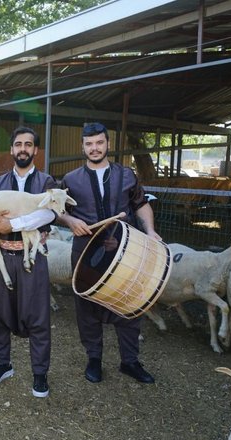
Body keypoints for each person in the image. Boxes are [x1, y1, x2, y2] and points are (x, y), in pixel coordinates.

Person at [59, 122, 160, 384]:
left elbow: (141, 203)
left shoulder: (126, 175)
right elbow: (57, 209)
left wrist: (150, 230)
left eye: (99, 143)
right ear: (83, 146)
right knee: (87, 305)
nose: (94, 148)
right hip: (87, 251)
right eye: (89, 144)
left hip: (125, 249)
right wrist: (70, 221)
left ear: (108, 144)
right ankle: (94, 358)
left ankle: (130, 362)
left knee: (130, 302)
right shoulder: (70, 180)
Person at [0, 126, 56, 398]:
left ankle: (40, 374)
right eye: (18, 144)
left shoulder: (46, 182)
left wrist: (13, 224)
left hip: (31, 257)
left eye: (28, 144)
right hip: (2, 257)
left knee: (39, 316)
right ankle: (2, 364)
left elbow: (49, 214)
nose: (23, 149)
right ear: (11, 150)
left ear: (35, 150)